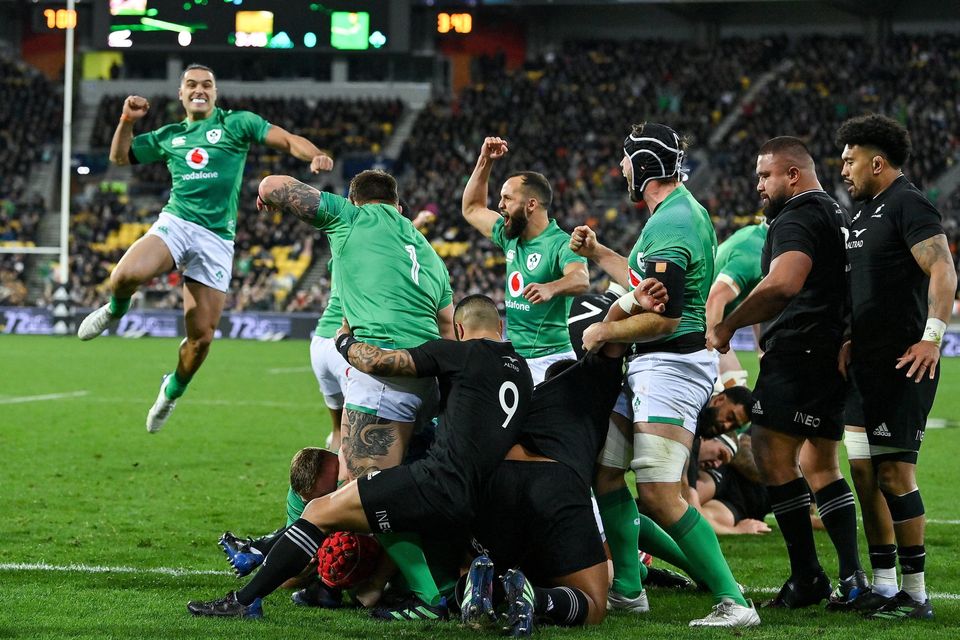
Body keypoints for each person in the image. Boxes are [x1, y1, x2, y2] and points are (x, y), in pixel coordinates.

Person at [187, 295, 533, 620]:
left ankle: (245, 601)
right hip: (477, 498)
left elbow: (378, 362)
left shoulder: (460, 353)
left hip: (434, 484)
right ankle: (425, 595)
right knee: (377, 513)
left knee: (320, 511)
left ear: (459, 330)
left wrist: (343, 341)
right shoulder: (521, 369)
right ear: (499, 327)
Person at [76, 64, 334, 433]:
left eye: (207, 85)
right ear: (181, 94)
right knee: (125, 275)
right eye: (191, 84)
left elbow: (288, 138)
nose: (199, 89)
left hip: (216, 239)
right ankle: (117, 309)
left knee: (201, 340)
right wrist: (126, 121)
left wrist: (313, 155)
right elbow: (120, 157)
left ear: (215, 93)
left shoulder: (237, 123)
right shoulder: (170, 135)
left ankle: (171, 390)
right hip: (177, 222)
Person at [571, 122, 759, 628]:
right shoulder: (675, 215)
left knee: (657, 491)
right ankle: (629, 588)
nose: (622, 169)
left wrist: (603, 333)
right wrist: (599, 255)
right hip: (653, 365)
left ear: (647, 164)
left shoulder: (671, 223)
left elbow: (668, 315)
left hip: (671, 366)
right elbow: (643, 284)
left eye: (628, 159)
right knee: (605, 472)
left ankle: (733, 601)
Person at [256, 169, 455, 616]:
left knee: (368, 494)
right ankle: (381, 580)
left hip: (380, 374)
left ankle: (427, 594)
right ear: (397, 205)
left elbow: (273, 184)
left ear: (355, 198)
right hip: (429, 377)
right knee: (406, 486)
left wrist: (268, 197)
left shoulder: (350, 217)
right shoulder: (427, 250)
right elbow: (449, 326)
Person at [707, 136, 865, 609]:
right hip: (827, 350)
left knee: (773, 455)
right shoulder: (835, 212)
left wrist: (728, 325)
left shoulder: (796, 214)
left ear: (791, 174)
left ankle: (807, 577)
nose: (758, 185)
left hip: (801, 352)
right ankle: (852, 576)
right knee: (820, 463)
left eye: (764, 175)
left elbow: (784, 282)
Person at [460, 277, 668, 634]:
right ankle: (536, 599)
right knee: (592, 602)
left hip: (494, 485)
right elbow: (610, 336)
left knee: (509, 563)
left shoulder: (520, 395)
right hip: (555, 481)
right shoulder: (585, 384)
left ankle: (479, 587)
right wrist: (633, 299)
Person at [836, 114, 957, 619]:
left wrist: (932, 338)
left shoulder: (909, 204)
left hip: (902, 367)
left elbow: (943, 270)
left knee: (895, 476)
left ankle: (917, 594)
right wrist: (848, 337)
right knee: (864, 474)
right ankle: (883, 586)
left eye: (850, 160)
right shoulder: (864, 213)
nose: (844, 169)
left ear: (877, 162)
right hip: (864, 366)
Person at [462, 137, 589, 383]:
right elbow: (472, 208)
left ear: (531, 204)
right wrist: (485, 160)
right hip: (516, 358)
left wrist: (551, 287)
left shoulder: (561, 243)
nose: (500, 205)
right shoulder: (510, 236)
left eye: (507, 198)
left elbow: (581, 278)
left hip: (552, 360)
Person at [705, 220, 768, 388]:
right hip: (697, 323)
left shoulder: (754, 235)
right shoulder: (755, 252)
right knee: (722, 396)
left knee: (736, 389)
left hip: (708, 323)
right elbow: (715, 298)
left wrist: (761, 353)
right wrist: (707, 358)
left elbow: (755, 305)